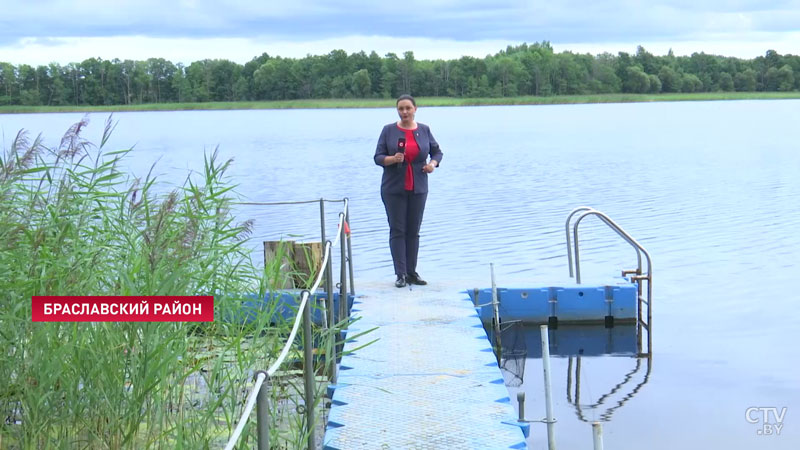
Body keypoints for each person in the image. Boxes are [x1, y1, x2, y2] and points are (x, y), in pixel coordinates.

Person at [374, 94, 443, 288]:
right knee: (398, 230)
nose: (404, 112)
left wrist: (432, 164)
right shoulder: (388, 130)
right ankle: (401, 274)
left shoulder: (424, 130)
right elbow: (378, 157)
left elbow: (437, 152)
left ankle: (412, 272)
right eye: (401, 109)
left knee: (414, 230)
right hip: (393, 187)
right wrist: (392, 159)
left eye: (408, 108)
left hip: (419, 186)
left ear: (415, 109)